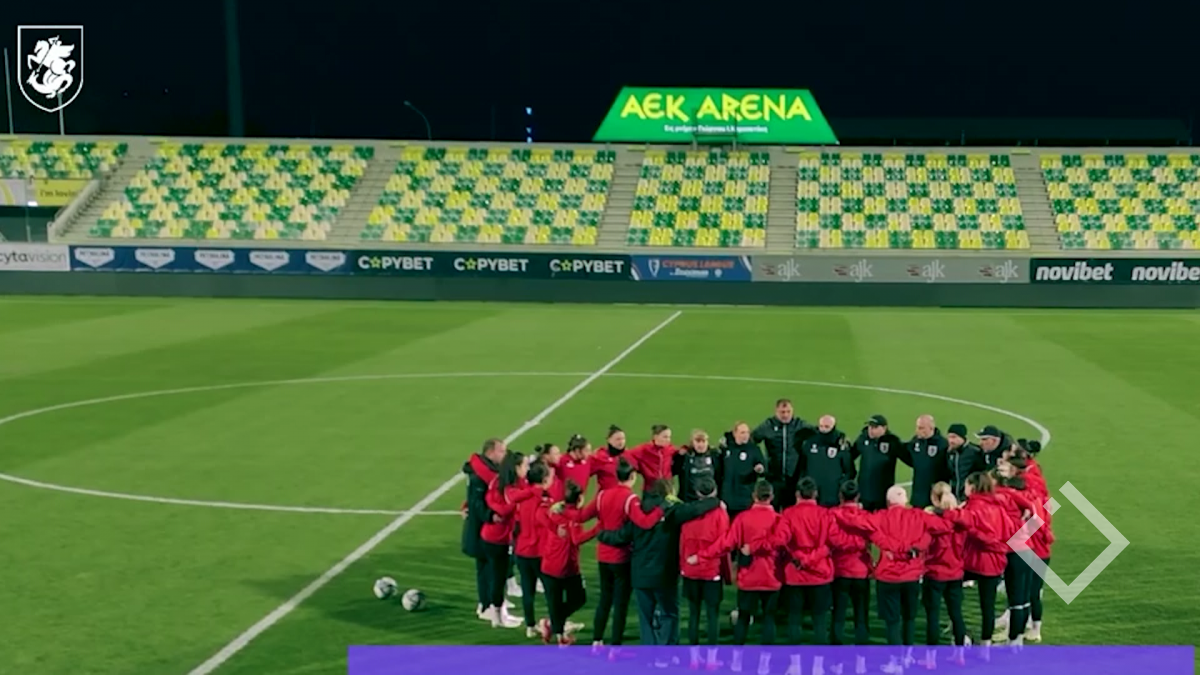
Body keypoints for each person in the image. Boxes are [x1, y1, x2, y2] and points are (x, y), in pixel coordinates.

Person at [600, 479, 720, 654]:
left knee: (646, 619)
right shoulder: (673, 510)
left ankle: (649, 656)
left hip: (641, 575)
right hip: (665, 574)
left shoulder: (639, 512)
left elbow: (621, 536)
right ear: (668, 492)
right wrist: (715, 501)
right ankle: (666, 655)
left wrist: (601, 534)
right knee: (669, 614)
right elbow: (695, 509)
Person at [570, 458, 657, 654]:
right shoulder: (630, 499)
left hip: (603, 556)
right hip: (621, 558)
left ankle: (597, 641)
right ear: (633, 476)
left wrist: (571, 507)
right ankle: (615, 647)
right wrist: (661, 510)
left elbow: (581, 517)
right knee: (620, 604)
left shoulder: (602, 495)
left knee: (605, 600)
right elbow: (644, 523)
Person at [695, 480, 782, 675]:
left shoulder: (743, 518)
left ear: (754, 496)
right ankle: (764, 664)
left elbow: (725, 543)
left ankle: (736, 661)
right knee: (769, 619)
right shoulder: (778, 520)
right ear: (771, 497)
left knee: (743, 618)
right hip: (772, 577)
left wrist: (702, 555)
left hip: (748, 577)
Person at [869, 485, 951, 674]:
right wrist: (925, 538)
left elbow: (864, 527)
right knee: (909, 617)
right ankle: (907, 656)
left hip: (888, 576)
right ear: (905, 500)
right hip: (911, 575)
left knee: (892, 621)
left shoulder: (879, 517)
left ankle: (896, 662)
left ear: (888, 502)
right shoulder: (918, 516)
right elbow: (945, 526)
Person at [935, 472, 1011, 662]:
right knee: (988, 606)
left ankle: (959, 634)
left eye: (967, 485)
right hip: (994, 563)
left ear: (974, 487)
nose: (965, 488)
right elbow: (1009, 531)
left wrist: (944, 512)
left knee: (951, 594)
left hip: (973, 561)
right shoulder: (999, 507)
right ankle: (985, 647)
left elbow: (964, 520)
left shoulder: (974, 506)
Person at [778, 477, 834, 675]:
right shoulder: (825, 514)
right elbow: (831, 543)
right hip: (820, 574)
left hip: (795, 574)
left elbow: (782, 541)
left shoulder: (788, 514)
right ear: (815, 494)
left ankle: (795, 665)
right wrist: (812, 559)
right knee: (820, 621)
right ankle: (818, 666)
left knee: (794, 620)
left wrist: (800, 558)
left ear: (797, 494)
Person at [461, 438, 519, 625]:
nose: (505, 454)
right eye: (501, 451)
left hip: (485, 528)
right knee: (485, 568)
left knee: (493, 568)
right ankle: (486, 605)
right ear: (491, 452)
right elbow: (476, 502)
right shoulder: (479, 476)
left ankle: (494, 603)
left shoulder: (487, 471)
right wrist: (490, 516)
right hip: (480, 528)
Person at [539, 480, 600, 646]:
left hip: (552, 566)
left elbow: (540, 514)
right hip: (564, 567)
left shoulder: (557, 510)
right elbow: (577, 539)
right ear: (579, 498)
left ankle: (551, 624)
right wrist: (597, 529)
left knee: (561, 602)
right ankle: (560, 637)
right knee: (576, 599)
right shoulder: (572, 516)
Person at [679, 476, 729, 669]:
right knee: (712, 615)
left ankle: (693, 659)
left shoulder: (687, 513)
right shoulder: (719, 514)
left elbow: (682, 543)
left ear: (697, 493)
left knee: (693, 614)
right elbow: (723, 544)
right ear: (714, 491)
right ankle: (711, 660)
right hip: (711, 571)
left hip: (690, 570)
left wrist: (684, 565)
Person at [481, 452, 535, 629]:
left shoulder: (512, 483)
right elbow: (502, 509)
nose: (527, 469)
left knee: (501, 576)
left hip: (502, 536)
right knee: (499, 577)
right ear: (516, 468)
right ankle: (497, 616)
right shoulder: (503, 486)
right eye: (525, 465)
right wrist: (516, 504)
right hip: (496, 538)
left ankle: (499, 612)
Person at [919, 482, 968, 669]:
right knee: (956, 614)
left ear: (934, 498)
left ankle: (930, 659)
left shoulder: (932, 522)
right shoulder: (961, 521)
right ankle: (959, 655)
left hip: (934, 574)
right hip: (955, 573)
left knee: (933, 616)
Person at [828, 481, 872, 675]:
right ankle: (861, 662)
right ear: (858, 497)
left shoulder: (832, 516)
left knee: (838, 616)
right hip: (861, 571)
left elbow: (833, 539)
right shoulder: (865, 517)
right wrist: (858, 545)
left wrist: (847, 544)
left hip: (840, 571)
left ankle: (837, 662)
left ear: (840, 496)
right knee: (861, 617)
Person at [514, 460, 554, 638]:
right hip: (539, 551)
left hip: (522, 550)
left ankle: (530, 626)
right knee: (551, 590)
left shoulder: (522, 497)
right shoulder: (545, 500)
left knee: (527, 589)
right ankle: (556, 624)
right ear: (544, 480)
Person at [751, 399, 808, 511]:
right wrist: (759, 460)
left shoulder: (799, 425)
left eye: (788, 411)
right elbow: (751, 441)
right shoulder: (768, 425)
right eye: (782, 412)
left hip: (794, 479)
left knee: (791, 512)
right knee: (772, 511)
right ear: (776, 411)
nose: (785, 415)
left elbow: (818, 434)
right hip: (773, 478)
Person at [851, 414, 904, 511]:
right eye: (869, 426)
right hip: (864, 492)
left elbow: (908, 458)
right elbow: (850, 456)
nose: (871, 430)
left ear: (884, 428)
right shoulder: (863, 439)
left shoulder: (892, 442)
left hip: (883, 493)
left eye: (875, 427)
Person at [800, 414, 853, 508]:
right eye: (821, 426)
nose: (823, 429)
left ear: (833, 427)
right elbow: (802, 466)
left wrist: (840, 485)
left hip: (832, 493)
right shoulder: (810, 442)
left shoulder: (840, 444)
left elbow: (849, 470)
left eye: (827, 427)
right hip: (813, 492)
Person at [721, 421, 766, 522]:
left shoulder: (754, 449)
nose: (745, 435)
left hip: (746, 499)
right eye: (742, 432)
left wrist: (760, 468)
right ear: (734, 433)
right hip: (728, 498)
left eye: (747, 432)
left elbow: (763, 468)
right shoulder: (726, 449)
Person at [902, 414, 950, 509]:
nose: (917, 430)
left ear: (931, 428)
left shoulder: (942, 444)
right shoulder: (916, 441)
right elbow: (909, 457)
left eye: (921, 428)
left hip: (934, 495)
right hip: (917, 495)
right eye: (917, 427)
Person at [626, 424, 676, 496]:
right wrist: (637, 468)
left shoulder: (670, 449)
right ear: (655, 437)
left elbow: (680, 454)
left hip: (667, 488)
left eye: (669, 437)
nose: (668, 440)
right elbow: (628, 455)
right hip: (651, 489)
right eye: (665, 437)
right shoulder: (645, 449)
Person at [674, 429, 722, 503]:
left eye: (703, 441)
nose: (701, 445)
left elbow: (720, 475)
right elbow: (674, 471)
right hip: (690, 501)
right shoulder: (685, 456)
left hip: (710, 499)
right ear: (692, 442)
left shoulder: (714, 455)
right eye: (698, 441)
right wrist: (679, 457)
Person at [945, 423, 984, 502]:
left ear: (962, 437)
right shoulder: (950, 452)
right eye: (949, 437)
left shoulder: (975, 452)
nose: (951, 440)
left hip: (970, 498)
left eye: (954, 437)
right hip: (953, 498)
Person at [593, 425, 628, 490]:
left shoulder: (628, 455)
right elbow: (585, 471)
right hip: (606, 494)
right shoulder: (600, 456)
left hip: (623, 494)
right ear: (609, 440)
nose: (621, 442)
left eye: (623, 439)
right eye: (618, 439)